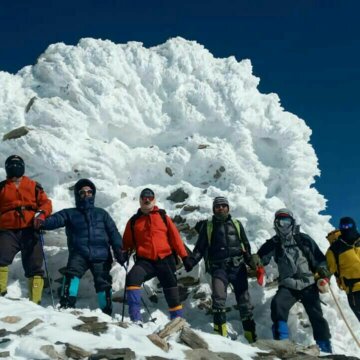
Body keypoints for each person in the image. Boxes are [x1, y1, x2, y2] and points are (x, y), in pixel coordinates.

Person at [36, 178, 124, 315]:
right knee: (72, 275)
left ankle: (106, 313)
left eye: (89, 192)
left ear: (93, 194)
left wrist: (119, 250)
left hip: (101, 255)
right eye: (82, 192)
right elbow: (54, 220)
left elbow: (114, 234)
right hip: (79, 253)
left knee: (103, 282)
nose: (86, 194)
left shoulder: (102, 214)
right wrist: (41, 221)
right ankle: (66, 307)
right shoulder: (70, 213)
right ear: (78, 195)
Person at [257, 208, 332, 353]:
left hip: (308, 283)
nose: (283, 225)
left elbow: (320, 259)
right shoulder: (274, 243)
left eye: (287, 221)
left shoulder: (304, 239)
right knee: (278, 305)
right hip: (288, 284)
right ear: (276, 223)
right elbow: (261, 258)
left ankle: (325, 347)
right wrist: (256, 261)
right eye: (280, 221)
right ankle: (282, 343)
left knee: (316, 313)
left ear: (292, 222)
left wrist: (323, 271)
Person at [185, 196, 258, 343]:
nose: (221, 208)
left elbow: (245, 245)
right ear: (213, 209)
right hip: (219, 268)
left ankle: (251, 338)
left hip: (238, 267)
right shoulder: (208, 226)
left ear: (228, 208)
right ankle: (221, 338)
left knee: (244, 302)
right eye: (217, 206)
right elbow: (200, 248)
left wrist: (251, 261)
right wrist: (191, 261)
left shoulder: (236, 224)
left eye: (224, 206)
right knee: (218, 299)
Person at [122, 188, 190, 323]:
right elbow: (127, 242)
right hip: (145, 261)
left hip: (165, 260)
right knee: (132, 279)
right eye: (144, 198)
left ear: (154, 200)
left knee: (172, 293)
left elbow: (175, 238)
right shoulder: (134, 221)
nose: (147, 200)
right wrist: (123, 253)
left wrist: (185, 256)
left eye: (150, 198)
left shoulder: (163, 217)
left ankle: (178, 323)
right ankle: (136, 319)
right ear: (140, 200)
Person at [0, 155, 52, 303]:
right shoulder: (2, 187)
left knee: (34, 264)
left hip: (30, 228)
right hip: (7, 230)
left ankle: (35, 301)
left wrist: (41, 214)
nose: (14, 167)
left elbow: (46, 203)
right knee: (1, 257)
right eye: (11, 165)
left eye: (17, 165)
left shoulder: (34, 186)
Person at [326, 217, 360, 321]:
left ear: (353, 226)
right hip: (355, 290)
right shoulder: (335, 248)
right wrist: (321, 277)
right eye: (342, 226)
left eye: (348, 226)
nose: (346, 228)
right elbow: (328, 267)